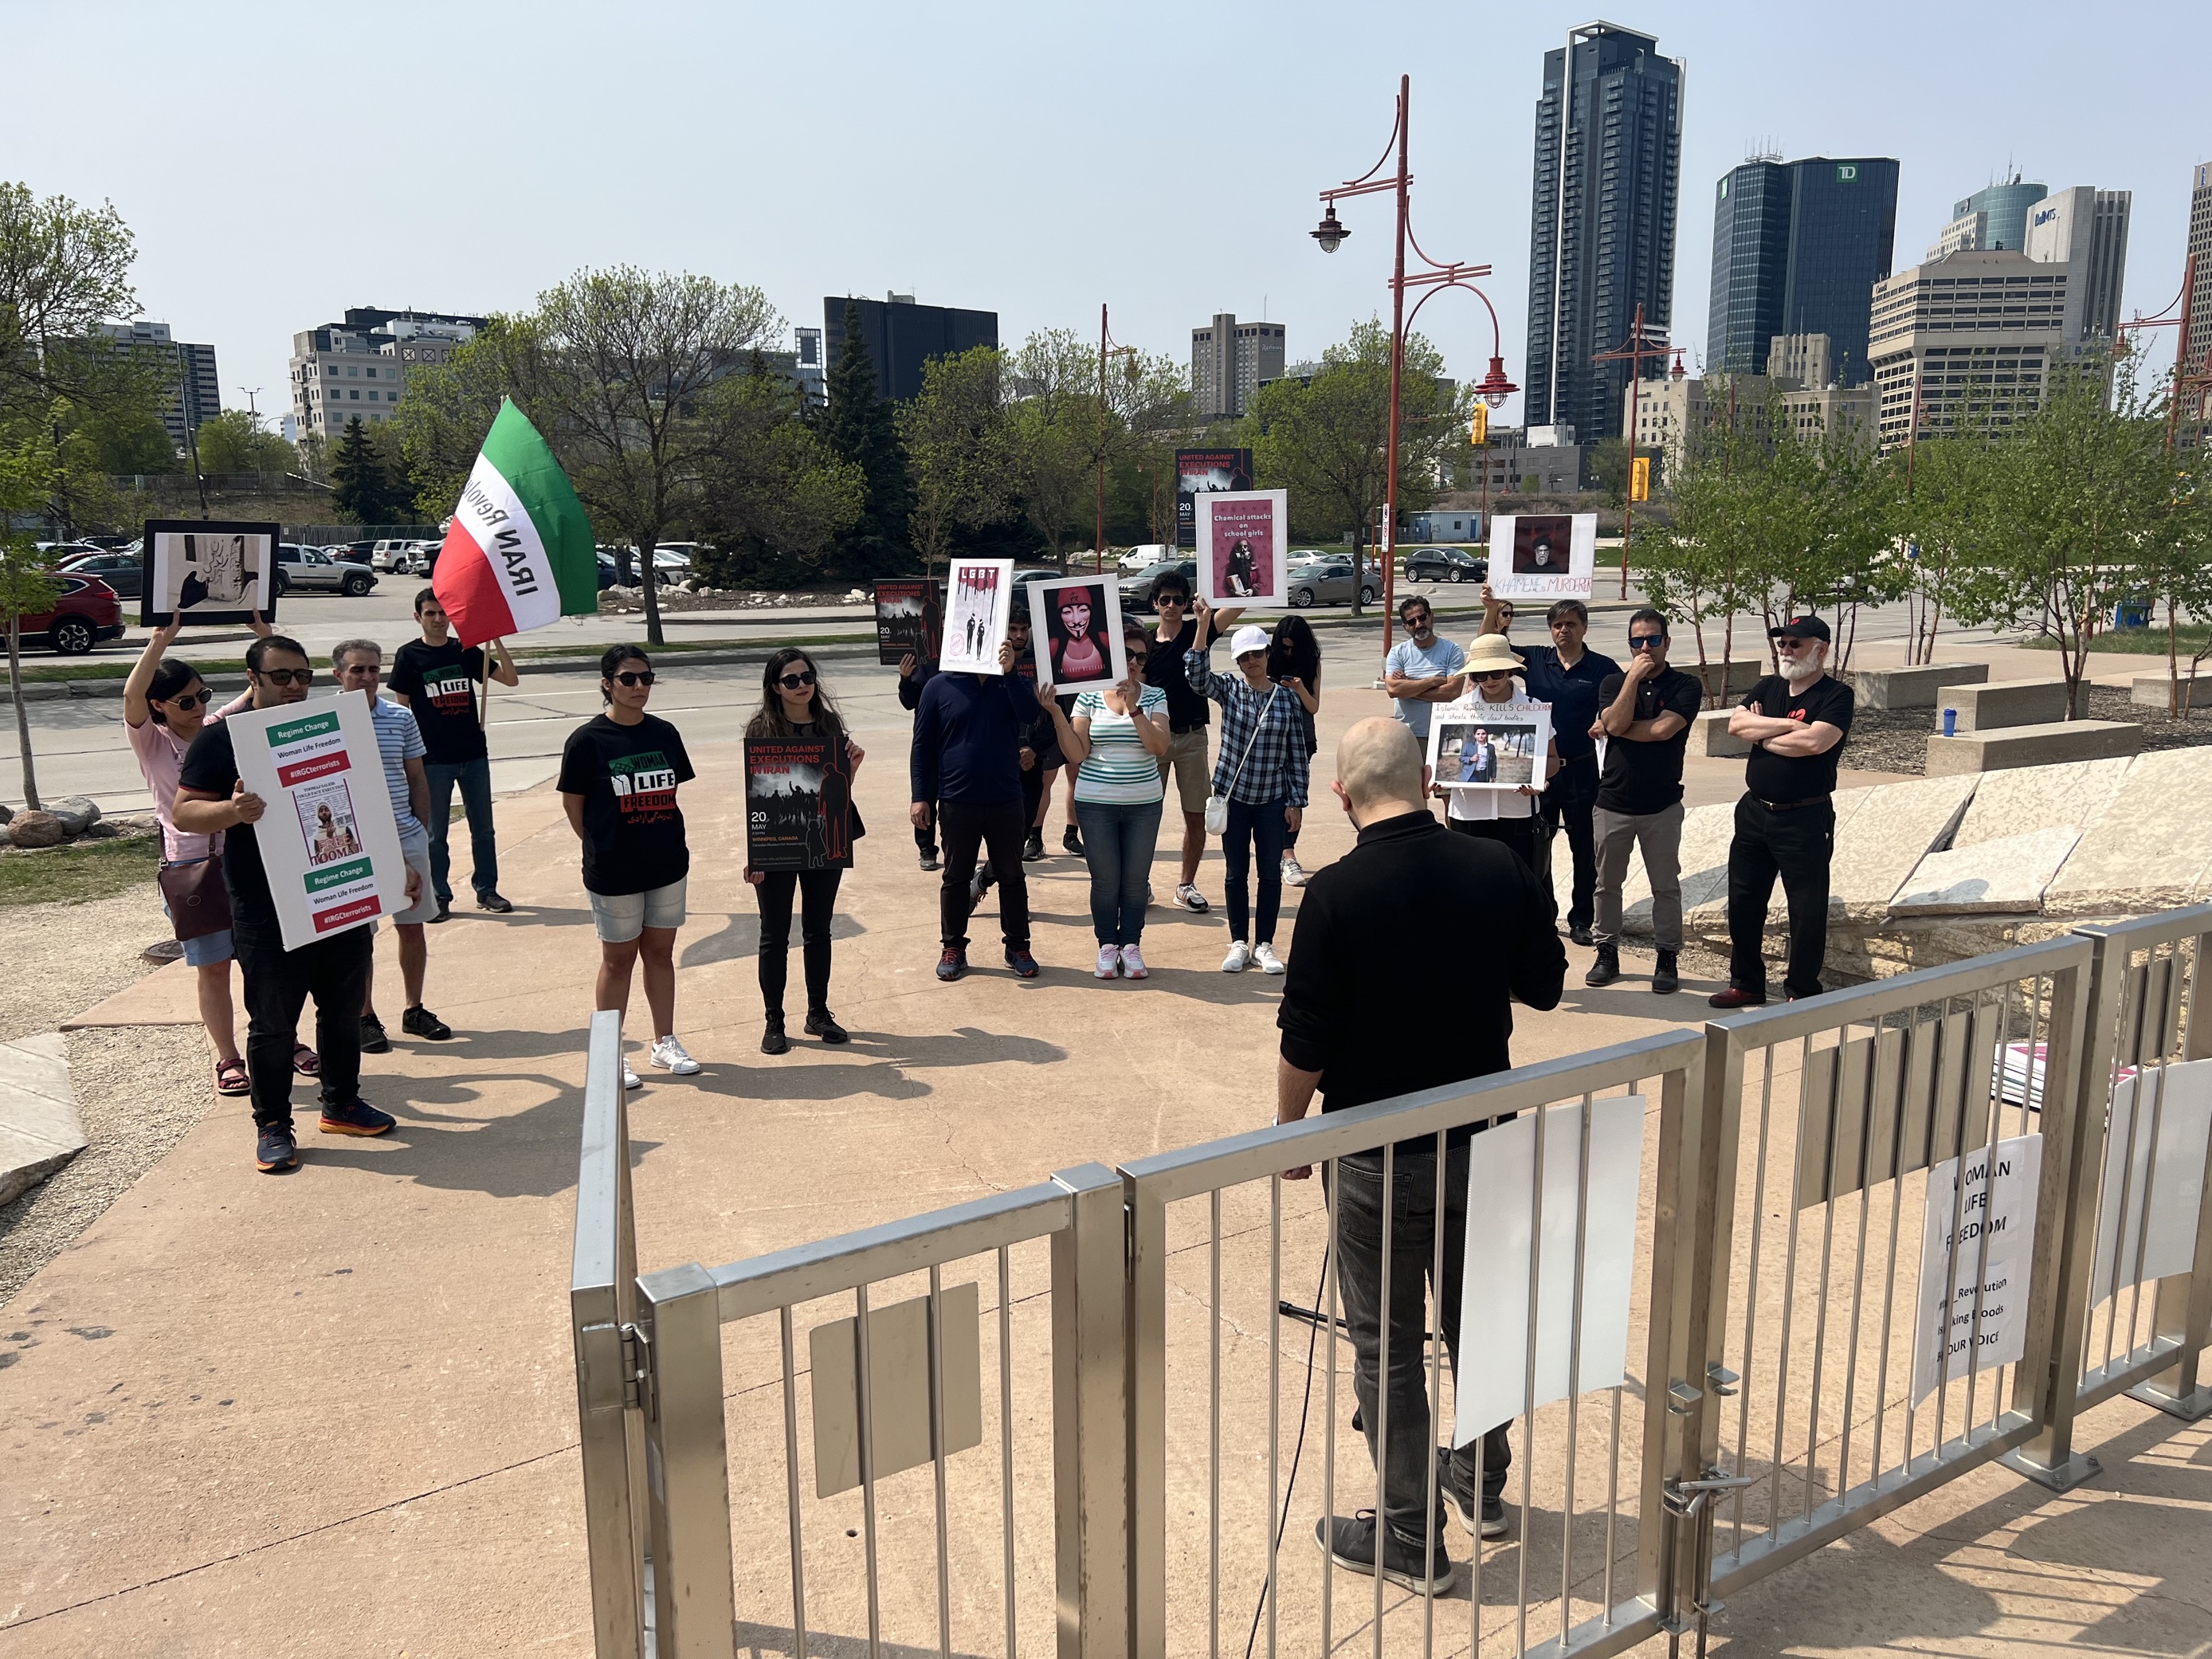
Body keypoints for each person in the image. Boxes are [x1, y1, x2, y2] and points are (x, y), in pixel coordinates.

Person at [1278, 718, 1567, 1586]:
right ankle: (1480, 1485)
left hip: (1377, 1152)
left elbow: (1307, 1038)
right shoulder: (1496, 868)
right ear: (1430, 780)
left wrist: (1292, 1132)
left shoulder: (1333, 893)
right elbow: (1545, 986)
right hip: (1484, 1138)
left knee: (1389, 1349)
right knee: (1480, 1326)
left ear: (1340, 794)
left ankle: (1409, 1536)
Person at [173, 635, 419, 1172]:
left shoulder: (336, 727)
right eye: (281, 676)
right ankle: (273, 1124)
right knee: (273, 1023)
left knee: (341, 1012)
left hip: (340, 894)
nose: (294, 687)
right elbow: (184, 814)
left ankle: (342, 1103)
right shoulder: (223, 741)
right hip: (267, 907)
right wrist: (234, 811)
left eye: (303, 676)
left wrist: (393, 866)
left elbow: (366, 803)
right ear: (253, 678)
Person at [123, 620, 292, 1099]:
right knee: (213, 966)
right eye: (185, 701)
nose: (198, 708)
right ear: (161, 706)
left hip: (241, 859)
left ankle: (285, 1039)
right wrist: (159, 641)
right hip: (189, 868)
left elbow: (264, 685)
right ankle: (228, 1058)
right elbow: (131, 699)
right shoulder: (152, 741)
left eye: (203, 696)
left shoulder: (216, 728)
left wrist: (265, 633)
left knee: (266, 962)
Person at [558, 645, 701, 1088]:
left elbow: (673, 791)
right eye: (628, 679)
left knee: (660, 954)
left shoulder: (665, 733)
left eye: (646, 678)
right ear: (607, 684)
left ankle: (664, 1042)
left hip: (667, 864)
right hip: (614, 870)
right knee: (618, 960)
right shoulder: (586, 741)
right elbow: (574, 806)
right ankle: (611, 1051)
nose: (639, 687)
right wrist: (603, 845)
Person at [1712, 615, 1854, 1008]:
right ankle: (1747, 984)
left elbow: (1814, 744)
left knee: (1806, 908)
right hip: (1754, 812)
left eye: (1796, 644)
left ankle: (1801, 991)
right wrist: (1785, 726)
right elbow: (1737, 725)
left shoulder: (1836, 695)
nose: (1786, 651)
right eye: (1783, 643)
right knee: (1743, 902)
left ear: (1820, 649)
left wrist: (1764, 732)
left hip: (1804, 818)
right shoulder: (1770, 686)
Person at [1033, 622, 1172, 979]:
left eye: (1141, 657)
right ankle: (1107, 946)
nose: (1134, 663)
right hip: (1096, 803)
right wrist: (1056, 714)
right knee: (1106, 880)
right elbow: (1077, 753)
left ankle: (1132, 945)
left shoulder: (1155, 696)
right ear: (1111, 656)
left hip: (1144, 803)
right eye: (1127, 654)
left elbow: (1158, 746)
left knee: (1136, 880)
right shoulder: (1090, 696)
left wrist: (1134, 707)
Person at [333, 639, 453, 1050]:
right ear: (338, 675)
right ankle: (365, 1015)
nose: (367, 677)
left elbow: (416, 776)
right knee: (359, 936)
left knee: (412, 926)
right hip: (353, 846)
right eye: (357, 670)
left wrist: (419, 824)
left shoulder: (400, 717)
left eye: (373, 669)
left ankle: (414, 1008)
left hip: (405, 836)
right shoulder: (322, 720)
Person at [744, 648, 865, 1053]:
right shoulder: (761, 731)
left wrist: (853, 769)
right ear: (775, 687)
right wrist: (756, 854)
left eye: (807, 676)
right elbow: (755, 798)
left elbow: (837, 791)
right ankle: (774, 1020)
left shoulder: (829, 726)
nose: (802, 685)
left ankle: (818, 1013)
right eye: (791, 680)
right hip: (776, 843)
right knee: (774, 934)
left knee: (818, 930)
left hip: (824, 841)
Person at [1484, 590, 1619, 945]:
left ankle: (1581, 920)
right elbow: (1488, 649)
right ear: (1550, 630)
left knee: (1583, 848)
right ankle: (1543, 913)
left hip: (1582, 771)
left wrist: (1606, 721)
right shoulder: (1536, 659)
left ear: (1584, 628)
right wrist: (1492, 610)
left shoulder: (1603, 668)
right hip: (1538, 771)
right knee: (1537, 845)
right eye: (1557, 625)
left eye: (1571, 624)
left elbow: (1621, 705)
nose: (1564, 631)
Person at [1186, 600, 1308, 975]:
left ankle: (1265, 944)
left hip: (1272, 800)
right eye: (1244, 657)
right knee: (1235, 873)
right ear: (1237, 662)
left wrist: (1296, 801)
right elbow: (1195, 676)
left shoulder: (1287, 698)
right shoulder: (1230, 690)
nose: (1251, 662)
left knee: (1270, 874)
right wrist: (1203, 626)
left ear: (1268, 656)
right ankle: (1239, 941)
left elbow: (1296, 753)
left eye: (1256, 654)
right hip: (1234, 798)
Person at [912, 636, 1042, 982]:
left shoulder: (1012, 682)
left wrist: (1011, 672)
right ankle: (953, 946)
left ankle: (1017, 945)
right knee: (955, 877)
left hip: (1006, 797)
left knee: (1012, 876)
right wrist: (920, 796)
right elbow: (922, 748)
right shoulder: (938, 686)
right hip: (956, 799)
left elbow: (1031, 714)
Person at [1586, 609, 1701, 995]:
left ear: (1667, 641)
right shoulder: (1613, 682)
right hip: (1613, 802)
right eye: (1638, 641)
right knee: (1606, 884)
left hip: (1662, 806)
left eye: (1654, 639)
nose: (1646, 647)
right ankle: (1607, 952)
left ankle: (1666, 956)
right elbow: (1617, 722)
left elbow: (1664, 730)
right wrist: (1632, 679)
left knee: (1665, 886)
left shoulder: (1686, 684)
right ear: (1629, 645)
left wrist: (1614, 727)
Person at [389, 587, 519, 920]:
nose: (438, 619)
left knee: (484, 829)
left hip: (473, 754)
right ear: (418, 617)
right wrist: (406, 759)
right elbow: (401, 709)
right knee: (435, 834)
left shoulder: (466, 650)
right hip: (433, 760)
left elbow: (511, 679)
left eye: (443, 613)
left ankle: (486, 889)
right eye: (430, 613)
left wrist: (496, 639)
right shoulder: (409, 655)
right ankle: (439, 894)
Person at [1144, 572, 1243, 912]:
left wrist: (1238, 573)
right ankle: (1138, 883)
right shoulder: (1144, 643)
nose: (1172, 606)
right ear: (1154, 603)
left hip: (1192, 737)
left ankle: (1186, 885)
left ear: (1187, 603)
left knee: (1196, 815)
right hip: (1154, 739)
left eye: (1178, 600)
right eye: (1165, 600)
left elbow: (1239, 603)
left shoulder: (1196, 629)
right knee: (1143, 815)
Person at [1434, 633, 1559, 867]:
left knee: (1519, 884)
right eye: (1481, 674)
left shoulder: (1534, 708)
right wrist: (1440, 780)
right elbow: (1439, 762)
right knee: (1471, 887)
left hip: (1518, 813)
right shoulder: (1455, 710)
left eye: (1497, 672)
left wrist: (1539, 778)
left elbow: (1552, 759)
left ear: (1509, 670)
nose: (1489, 680)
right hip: (1468, 813)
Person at [1269, 614, 1323, 888]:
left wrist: (1300, 688)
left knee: (1296, 795)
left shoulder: (1312, 661)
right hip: (1272, 734)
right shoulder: (1269, 658)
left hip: (1302, 736)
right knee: (1274, 796)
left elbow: (1313, 706)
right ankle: (1279, 852)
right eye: (1284, 647)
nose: (1288, 653)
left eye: (1293, 648)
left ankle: (1288, 854)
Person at [1382, 597, 1465, 750]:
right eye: (1411, 622)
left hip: (1444, 734)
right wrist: (1432, 681)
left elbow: (1452, 692)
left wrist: (1408, 686)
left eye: (1422, 617)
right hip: (1408, 736)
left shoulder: (1452, 651)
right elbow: (1393, 689)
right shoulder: (1397, 653)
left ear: (1431, 617)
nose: (1418, 624)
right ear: (1405, 627)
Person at [897, 651, 942, 869]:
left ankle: (954, 844)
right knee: (925, 794)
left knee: (955, 802)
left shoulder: (964, 659)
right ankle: (926, 847)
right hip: (928, 738)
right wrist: (905, 679)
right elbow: (909, 702)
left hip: (957, 736)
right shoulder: (921, 663)